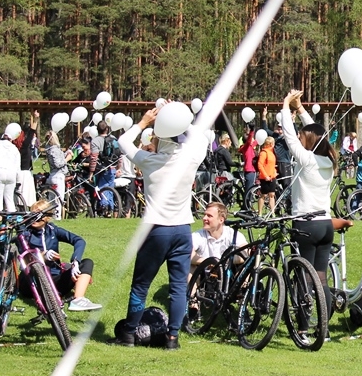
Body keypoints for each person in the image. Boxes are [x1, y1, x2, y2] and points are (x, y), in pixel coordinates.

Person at [115, 106, 208, 350]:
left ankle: (129, 333)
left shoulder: (149, 160)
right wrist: (180, 119)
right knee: (178, 286)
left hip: (156, 229)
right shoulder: (190, 159)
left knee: (141, 284)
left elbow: (123, 141)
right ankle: (173, 337)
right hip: (182, 229)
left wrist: (145, 121)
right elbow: (201, 136)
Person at [279, 90, 336, 317]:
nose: (300, 140)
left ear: (309, 143)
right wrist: (300, 108)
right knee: (320, 277)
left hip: (306, 224)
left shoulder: (306, 159)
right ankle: (325, 326)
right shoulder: (328, 160)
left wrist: (285, 105)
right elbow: (318, 134)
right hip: (325, 224)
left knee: (303, 275)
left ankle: (303, 327)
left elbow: (289, 136)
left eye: (304, 138)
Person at [22, 200, 102, 311]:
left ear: (47, 217)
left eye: (39, 214)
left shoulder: (53, 230)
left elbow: (79, 241)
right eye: (33, 214)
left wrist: (75, 262)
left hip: (56, 280)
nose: (35, 218)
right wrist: (43, 255)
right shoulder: (24, 233)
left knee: (87, 262)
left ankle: (78, 299)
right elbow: (24, 258)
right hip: (33, 282)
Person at [191, 202, 247, 270]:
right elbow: (187, 254)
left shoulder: (232, 234)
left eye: (209, 216)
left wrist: (221, 263)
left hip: (228, 274)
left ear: (221, 220)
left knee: (246, 265)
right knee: (189, 267)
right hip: (205, 275)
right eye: (204, 215)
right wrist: (210, 262)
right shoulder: (198, 235)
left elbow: (244, 252)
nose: (204, 218)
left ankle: (244, 281)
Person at [0, 125, 22, 213]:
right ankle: (12, 219)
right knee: (9, 199)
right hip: (11, 173)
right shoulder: (15, 149)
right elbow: (18, 167)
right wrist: (18, 180)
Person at [17, 112, 40, 208]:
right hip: (25, 173)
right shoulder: (24, 145)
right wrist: (36, 119)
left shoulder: (14, 147)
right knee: (26, 196)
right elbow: (32, 131)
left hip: (17, 172)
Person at [44, 131, 69, 217]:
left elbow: (57, 158)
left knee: (52, 200)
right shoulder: (54, 150)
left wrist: (66, 154)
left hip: (52, 175)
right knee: (58, 199)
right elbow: (58, 164)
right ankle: (57, 217)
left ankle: (52, 217)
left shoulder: (49, 149)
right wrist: (67, 159)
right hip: (58, 176)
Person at [257, 136, 278, 215]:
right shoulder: (264, 152)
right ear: (271, 143)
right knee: (263, 195)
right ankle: (260, 212)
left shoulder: (272, 153)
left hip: (272, 177)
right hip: (265, 177)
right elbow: (260, 165)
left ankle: (272, 212)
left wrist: (275, 172)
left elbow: (272, 165)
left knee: (272, 195)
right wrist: (265, 175)